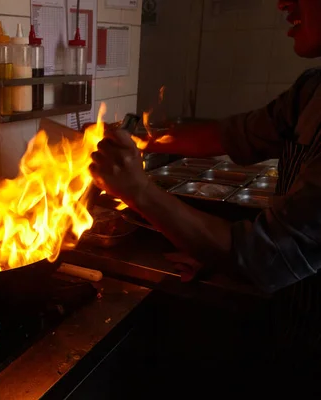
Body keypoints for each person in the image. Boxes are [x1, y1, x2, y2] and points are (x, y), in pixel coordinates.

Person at [90, 0, 321, 359]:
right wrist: (146, 139)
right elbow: (238, 134)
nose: (284, 3)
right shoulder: (312, 91)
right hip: (291, 316)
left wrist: (138, 190)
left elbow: (267, 256)